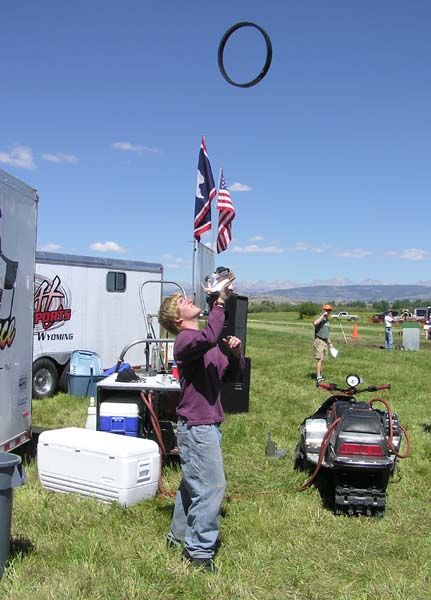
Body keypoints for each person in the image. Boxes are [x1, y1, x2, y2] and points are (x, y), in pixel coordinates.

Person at [158, 279, 244, 573]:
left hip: (206, 424)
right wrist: (219, 302)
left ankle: (178, 537)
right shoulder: (185, 341)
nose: (189, 299)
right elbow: (209, 336)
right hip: (197, 427)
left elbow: (229, 375)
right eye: (183, 300)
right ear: (178, 319)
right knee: (212, 487)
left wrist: (235, 355)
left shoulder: (205, 344)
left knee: (191, 485)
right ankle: (198, 552)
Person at [313, 303, 333, 382]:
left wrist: (330, 343)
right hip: (319, 341)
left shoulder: (327, 321)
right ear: (323, 310)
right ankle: (318, 377)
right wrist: (322, 316)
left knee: (323, 360)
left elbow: (326, 334)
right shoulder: (319, 318)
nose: (328, 312)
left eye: (329, 310)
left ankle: (320, 375)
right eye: (327, 310)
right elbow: (315, 323)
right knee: (319, 359)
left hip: (325, 341)